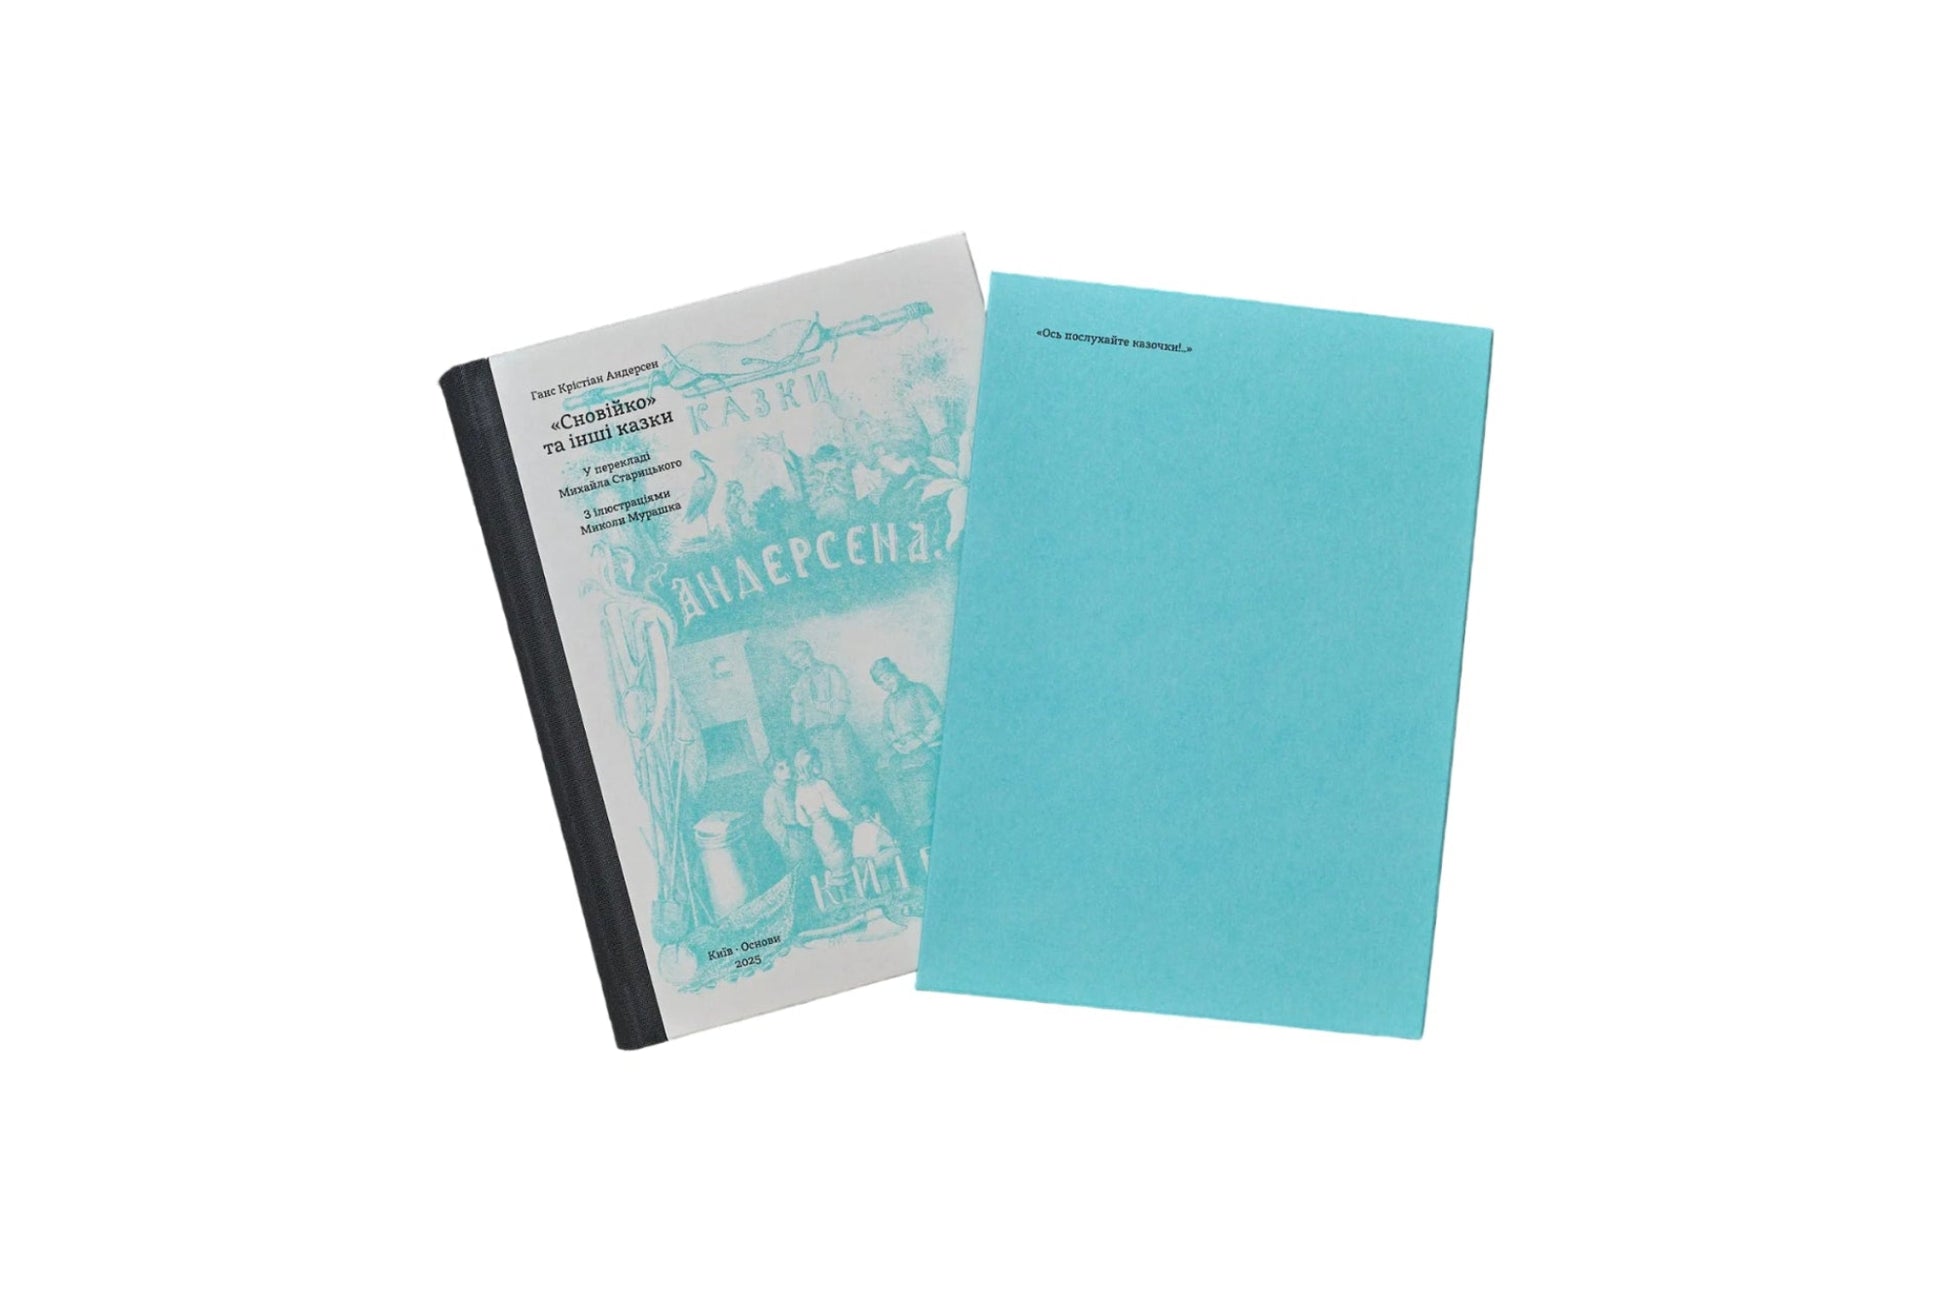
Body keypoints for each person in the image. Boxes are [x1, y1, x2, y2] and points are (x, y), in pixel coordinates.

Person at [786, 641, 869, 806]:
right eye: (796, 663)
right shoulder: (801, 683)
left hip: (836, 732)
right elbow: (797, 720)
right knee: (828, 781)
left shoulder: (831, 672)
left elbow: (842, 706)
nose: (802, 664)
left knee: (851, 777)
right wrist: (796, 702)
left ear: (810, 652)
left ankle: (863, 814)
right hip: (816, 739)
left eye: (802, 658)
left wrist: (818, 704)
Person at [871, 657, 943, 845]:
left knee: (917, 776)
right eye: (881, 683)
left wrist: (920, 740)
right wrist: (895, 741)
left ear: (896, 672)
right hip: (903, 750)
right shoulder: (889, 702)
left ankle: (926, 826)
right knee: (884, 770)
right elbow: (886, 729)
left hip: (926, 746)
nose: (886, 684)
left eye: (888, 678)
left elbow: (936, 720)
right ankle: (911, 827)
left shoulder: (918, 691)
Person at [792, 749, 853, 897]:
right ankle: (848, 892)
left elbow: (802, 819)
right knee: (840, 855)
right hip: (829, 827)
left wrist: (814, 821)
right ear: (810, 766)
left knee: (829, 858)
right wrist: (850, 818)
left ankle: (842, 894)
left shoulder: (799, 789)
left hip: (817, 831)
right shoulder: (821, 785)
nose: (820, 763)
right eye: (816, 761)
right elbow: (835, 809)